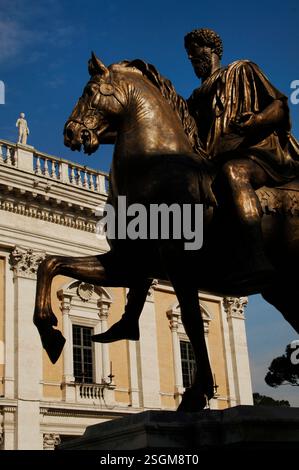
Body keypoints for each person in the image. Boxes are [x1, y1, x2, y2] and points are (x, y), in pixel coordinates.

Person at [92, 28, 299, 344]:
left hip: (256, 154)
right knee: (157, 225)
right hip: (210, 163)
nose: (192, 59)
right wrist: (105, 130)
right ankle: (130, 317)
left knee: (234, 174)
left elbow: (281, 108)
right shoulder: (194, 99)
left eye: (196, 52)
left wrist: (256, 121)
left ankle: (255, 257)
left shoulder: (242, 70)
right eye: (189, 55)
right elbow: (155, 128)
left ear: (211, 50)